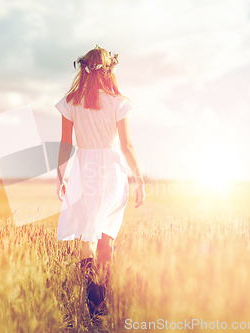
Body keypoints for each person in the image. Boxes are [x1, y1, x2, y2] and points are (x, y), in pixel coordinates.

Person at [54, 46, 145, 317]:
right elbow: (127, 145)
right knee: (106, 237)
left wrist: (61, 175)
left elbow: (65, 144)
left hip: (85, 170)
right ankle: (101, 300)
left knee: (88, 233)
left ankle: (93, 301)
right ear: (109, 70)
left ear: (84, 70)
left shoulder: (71, 101)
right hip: (113, 170)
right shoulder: (118, 102)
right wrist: (139, 178)